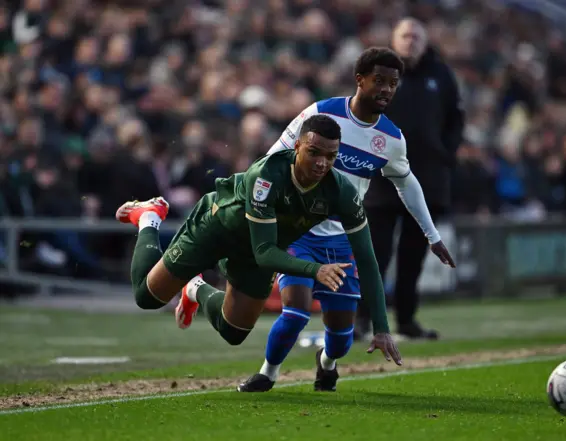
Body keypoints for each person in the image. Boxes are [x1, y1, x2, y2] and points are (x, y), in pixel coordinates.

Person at [237, 47, 455, 393]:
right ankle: (268, 373)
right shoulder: (321, 115)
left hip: (342, 240)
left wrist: (431, 235)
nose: (386, 89)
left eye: (393, 84)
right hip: (298, 231)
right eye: (379, 81)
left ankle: (327, 364)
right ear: (360, 80)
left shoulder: (391, 140)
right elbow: (272, 159)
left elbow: (407, 183)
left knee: (340, 338)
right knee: (295, 312)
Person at [115, 114, 402, 375]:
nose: (322, 163)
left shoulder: (342, 192)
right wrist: (315, 269)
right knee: (147, 296)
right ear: (297, 147)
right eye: (314, 152)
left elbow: (366, 260)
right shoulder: (267, 175)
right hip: (217, 228)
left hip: (260, 249)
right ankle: (148, 217)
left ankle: (195, 288)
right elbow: (265, 253)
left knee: (234, 331)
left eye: (330, 155)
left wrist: (381, 327)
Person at [358, 19, 465, 340]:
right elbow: (360, 111)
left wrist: (445, 153)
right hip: (380, 178)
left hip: (427, 177)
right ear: (393, 40)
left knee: (413, 257)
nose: (410, 41)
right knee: (375, 253)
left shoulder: (441, 75)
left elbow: (456, 118)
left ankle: (406, 319)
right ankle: (364, 319)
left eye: (416, 36)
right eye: (405, 36)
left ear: (425, 41)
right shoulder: (382, 73)